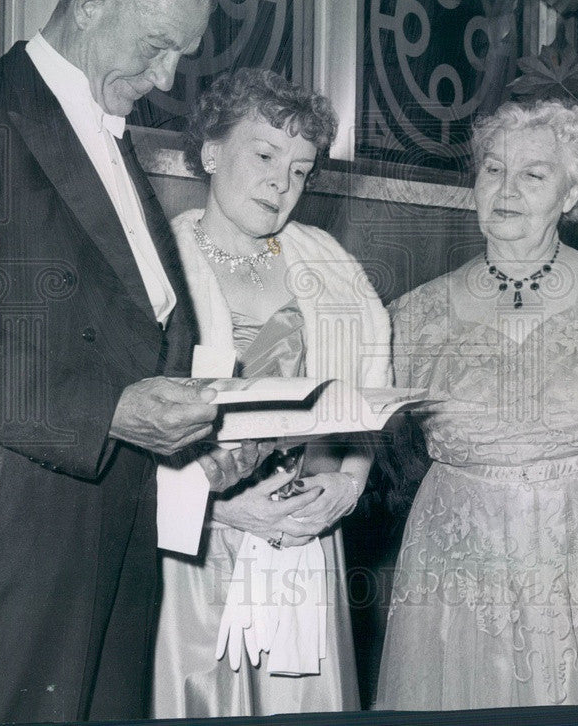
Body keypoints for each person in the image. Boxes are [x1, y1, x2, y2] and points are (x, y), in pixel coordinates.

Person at [0, 0, 269, 724]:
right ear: (90, 1)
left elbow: (127, 335)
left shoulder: (111, 139)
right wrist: (112, 412)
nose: (168, 75)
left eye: (182, 53)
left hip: (118, 523)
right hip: (14, 528)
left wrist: (196, 440)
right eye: (157, 46)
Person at [375, 101, 578, 709]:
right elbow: (341, 424)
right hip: (460, 564)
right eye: (492, 170)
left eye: (534, 175)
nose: (506, 189)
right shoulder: (413, 314)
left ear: (571, 194)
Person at [151, 67, 391, 717]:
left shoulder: (330, 267)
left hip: (303, 541)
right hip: (194, 549)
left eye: (300, 171)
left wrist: (349, 483)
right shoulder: (156, 266)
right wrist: (223, 513)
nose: (281, 184)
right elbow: (123, 438)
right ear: (209, 152)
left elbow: (369, 397)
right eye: (264, 155)